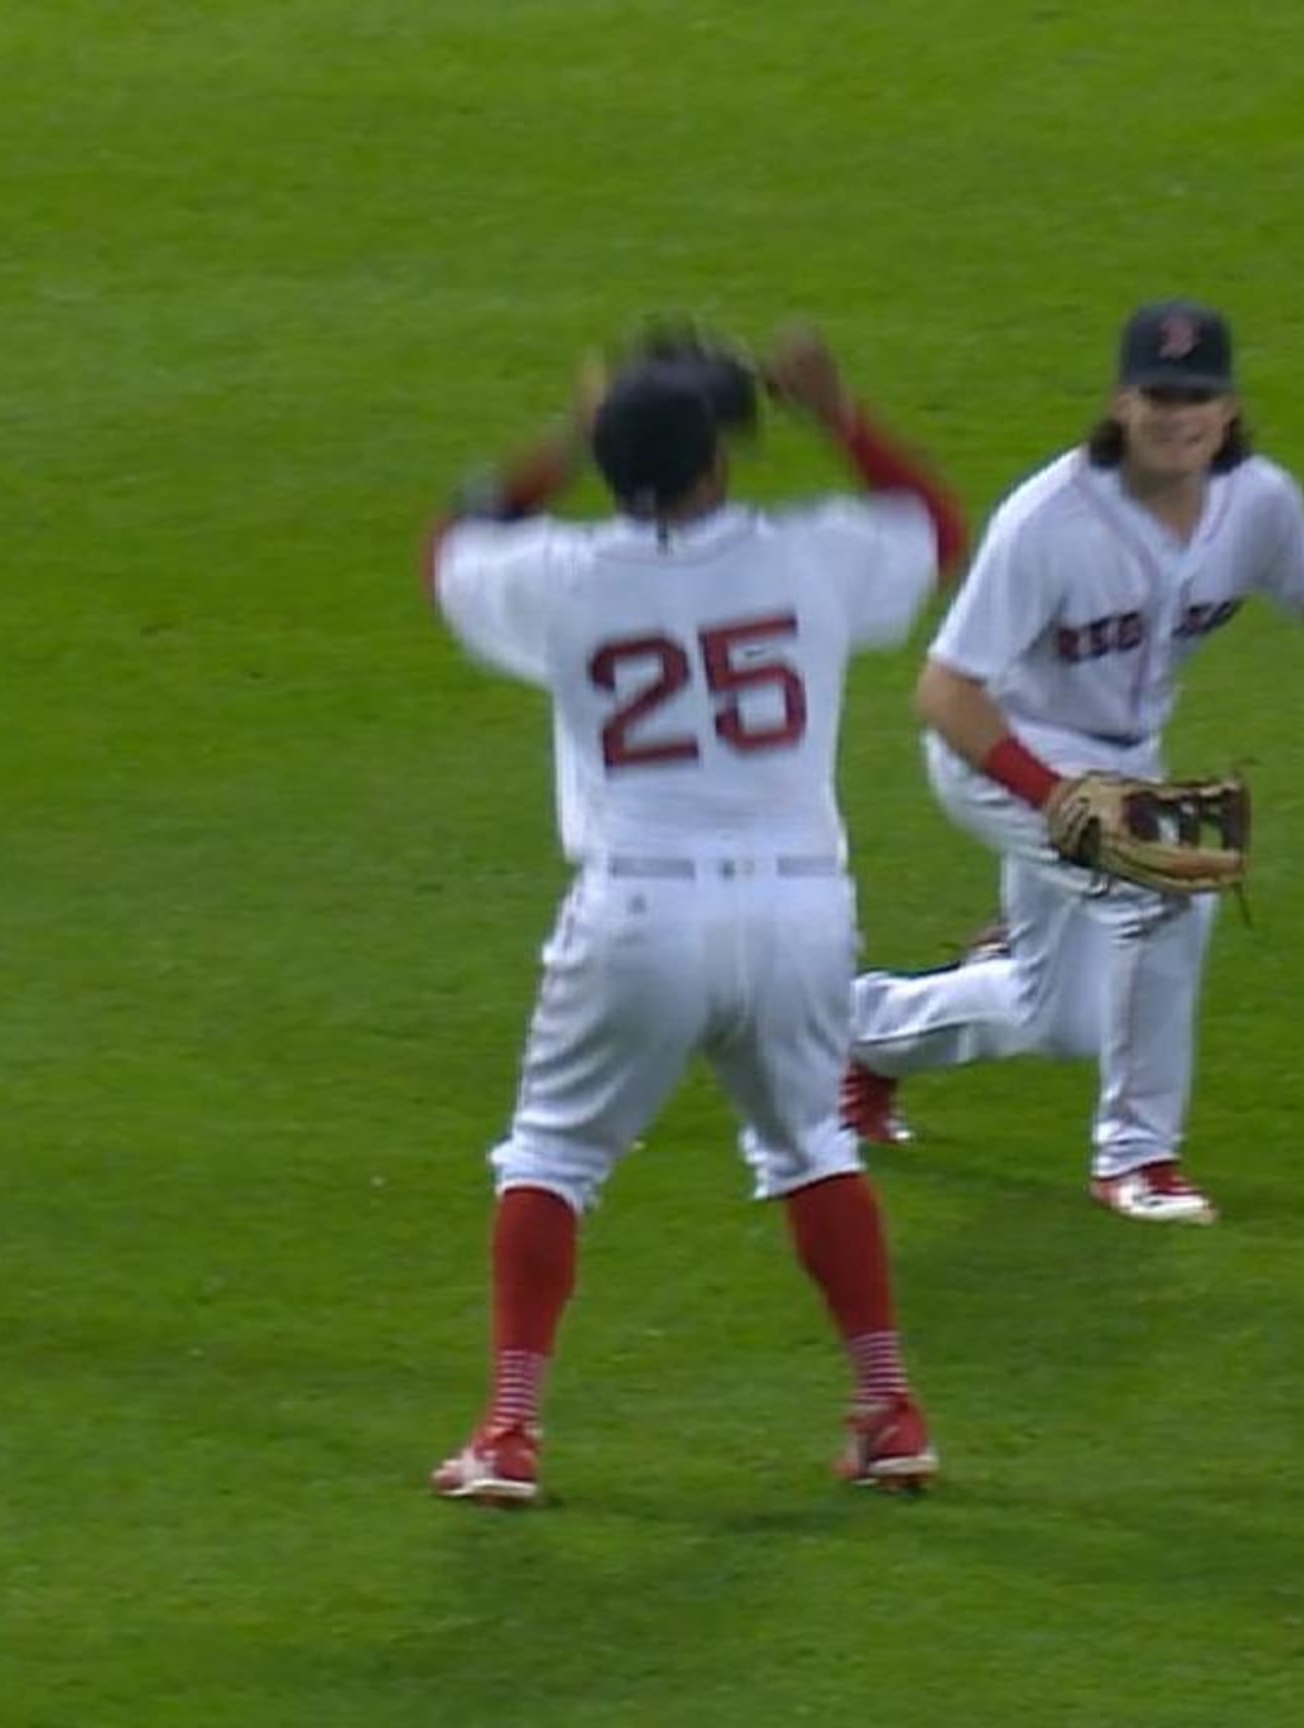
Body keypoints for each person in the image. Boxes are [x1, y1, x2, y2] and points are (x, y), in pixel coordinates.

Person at [420, 326, 969, 1504]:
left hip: (640, 914)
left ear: (614, 469)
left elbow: (450, 544)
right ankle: (890, 1410)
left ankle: (510, 1432)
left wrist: (572, 431)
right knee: (811, 1143)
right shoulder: (809, 558)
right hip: (800, 913)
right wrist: (837, 409)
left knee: (553, 1156)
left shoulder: (557, 575)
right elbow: (936, 523)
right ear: (721, 462)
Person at [839, 300, 1304, 1225]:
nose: (1176, 416)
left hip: (1126, 761)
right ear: (1120, 402)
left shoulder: (1257, 501)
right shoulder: (1048, 521)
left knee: (1059, 1017)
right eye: (1158, 395)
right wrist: (1057, 796)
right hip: (1007, 752)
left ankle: (856, 1034)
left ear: (1228, 408)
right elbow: (945, 692)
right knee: (1167, 895)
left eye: (1197, 397)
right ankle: (1138, 1159)